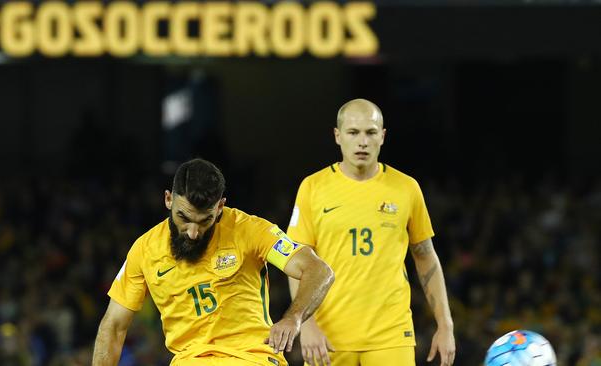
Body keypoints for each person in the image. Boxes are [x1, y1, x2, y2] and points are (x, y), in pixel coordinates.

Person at [93, 158, 334, 366]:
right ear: (168, 199)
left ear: (220, 207)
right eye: (184, 218)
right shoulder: (145, 250)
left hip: (251, 357)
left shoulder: (249, 230)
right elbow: (113, 325)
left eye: (204, 220)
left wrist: (294, 317)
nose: (193, 232)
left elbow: (318, 270)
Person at [287, 99, 456, 366]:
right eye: (353, 133)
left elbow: (425, 257)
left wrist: (445, 325)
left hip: (390, 335)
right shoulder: (312, 187)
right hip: (329, 337)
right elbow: (296, 261)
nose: (362, 142)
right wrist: (305, 324)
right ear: (337, 136)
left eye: (370, 132)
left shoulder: (406, 189)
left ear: (383, 136)